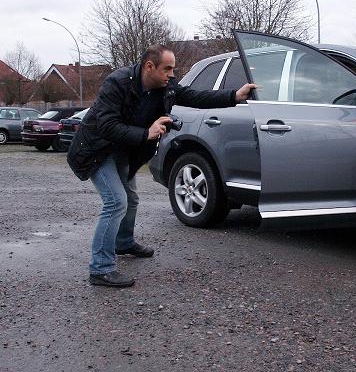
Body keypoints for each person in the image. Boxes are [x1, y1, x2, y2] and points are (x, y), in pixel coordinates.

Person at [67, 44, 256, 288]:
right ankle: (100, 268)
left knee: (131, 199)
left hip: (124, 150)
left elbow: (194, 96)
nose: (172, 74)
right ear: (149, 67)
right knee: (116, 202)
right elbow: (106, 125)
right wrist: (146, 133)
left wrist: (234, 96)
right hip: (97, 150)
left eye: (172, 69)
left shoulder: (166, 87)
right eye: (167, 69)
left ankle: (123, 242)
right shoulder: (117, 83)